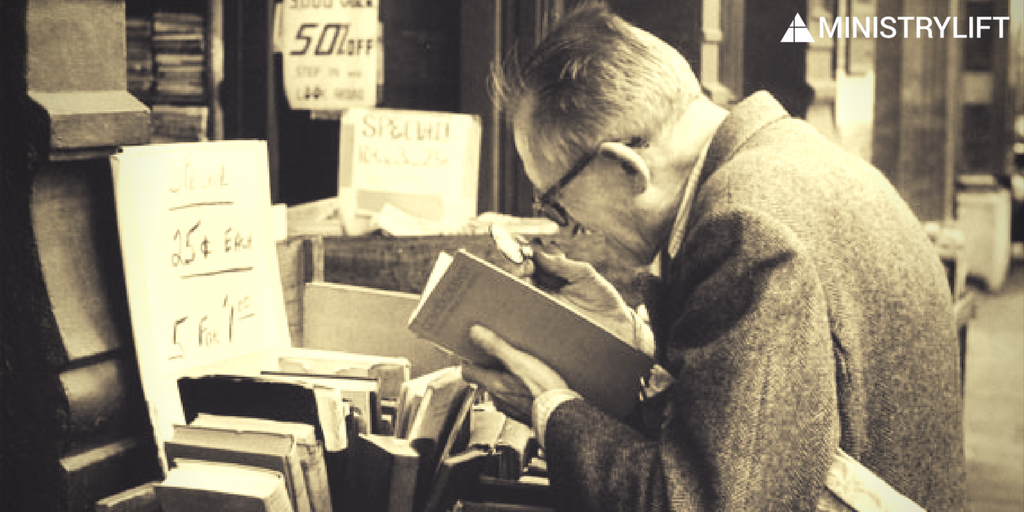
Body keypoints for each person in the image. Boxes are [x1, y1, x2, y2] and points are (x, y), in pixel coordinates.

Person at [460, 3, 965, 511]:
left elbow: (707, 502)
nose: (561, 226)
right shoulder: (789, 161)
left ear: (625, 167)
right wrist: (625, 346)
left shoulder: (749, 230)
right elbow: (762, 417)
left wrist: (552, 410)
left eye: (555, 201)